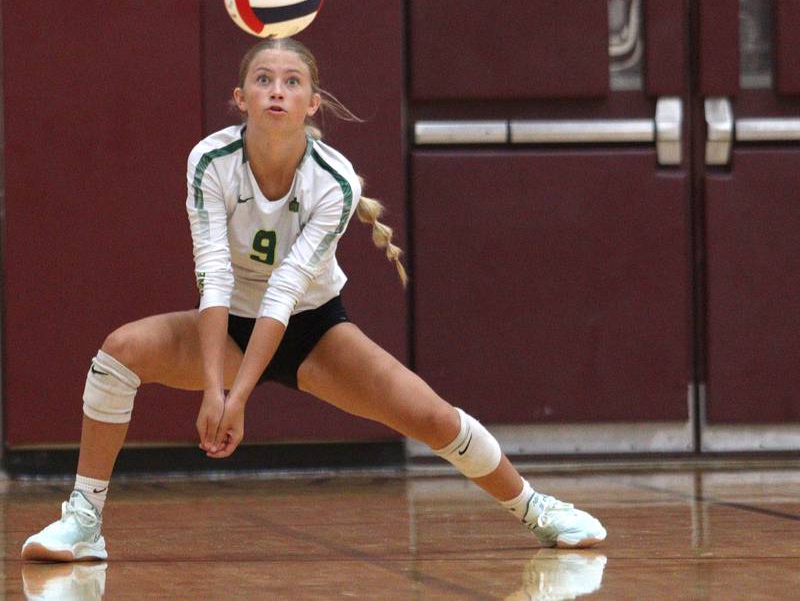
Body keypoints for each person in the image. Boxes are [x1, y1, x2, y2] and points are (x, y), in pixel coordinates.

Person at [21, 38, 606, 562]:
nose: (278, 90)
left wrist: (238, 397)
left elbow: (286, 289)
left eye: (292, 82)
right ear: (240, 98)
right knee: (119, 351)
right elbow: (214, 277)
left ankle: (537, 510)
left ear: (313, 102)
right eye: (264, 80)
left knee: (430, 416)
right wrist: (213, 387)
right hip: (225, 326)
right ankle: (84, 520)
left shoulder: (335, 179)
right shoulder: (209, 161)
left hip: (312, 330)